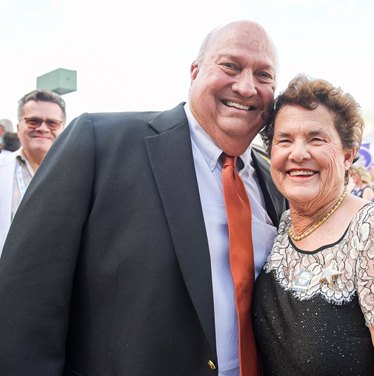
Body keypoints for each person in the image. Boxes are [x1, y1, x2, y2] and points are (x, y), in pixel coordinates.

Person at [0, 20, 286, 375]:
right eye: (230, 66)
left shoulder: (274, 178)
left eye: (263, 75)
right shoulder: (99, 143)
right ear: (195, 71)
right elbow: (25, 302)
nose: (246, 86)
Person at [253, 75, 374, 375]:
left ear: (348, 155)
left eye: (316, 138)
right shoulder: (283, 224)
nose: (298, 153)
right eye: (284, 140)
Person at [0, 90, 66, 254]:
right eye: (33, 121)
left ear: (63, 129)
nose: (42, 128)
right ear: (18, 127)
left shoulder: (76, 177)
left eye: (52, 123)